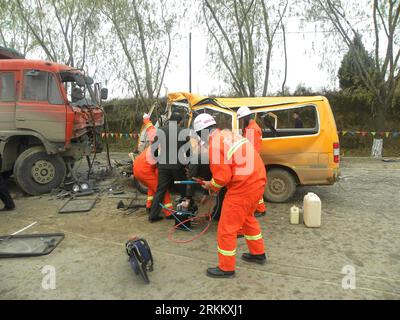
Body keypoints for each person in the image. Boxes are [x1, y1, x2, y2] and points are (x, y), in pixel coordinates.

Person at [193, 113, 267, 278]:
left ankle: (226, 268)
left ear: (201, 133)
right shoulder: (229, 134)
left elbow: (222, 178)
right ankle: (258, 254)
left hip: (243, 188)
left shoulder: (214, 145)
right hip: (258, 181)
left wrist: (210, 185)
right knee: (248, 218)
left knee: (226, 228)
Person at [148, 112, 190, 223]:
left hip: (163, 165)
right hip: (177, 165)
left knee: (160, 190)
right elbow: (188, 150)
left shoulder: (161, 130)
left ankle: (153, 215)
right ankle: (185, 214)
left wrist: (158, 160)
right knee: (183, 189)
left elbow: (154, 148)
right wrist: (188, 164)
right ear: (180, 121)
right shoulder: (182, 131)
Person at [132, 114, 173, 217]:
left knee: (152, 187)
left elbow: (150, 127)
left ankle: (149, 206)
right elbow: (162, 169)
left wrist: (146, 118)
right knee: (162, 190)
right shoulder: (163, 151)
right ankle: (169, 213)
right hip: (144, 171)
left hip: (138, 166)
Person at [237, 106, 266, 217]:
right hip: (254, 160)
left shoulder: (251, 129)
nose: (240, 122)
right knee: (256, 186)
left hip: (252, 161)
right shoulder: (251, 127)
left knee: (253, 186)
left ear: (245, 118)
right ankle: (260, 208)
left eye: (240, 120)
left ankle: (260, 209)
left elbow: (248, 148)